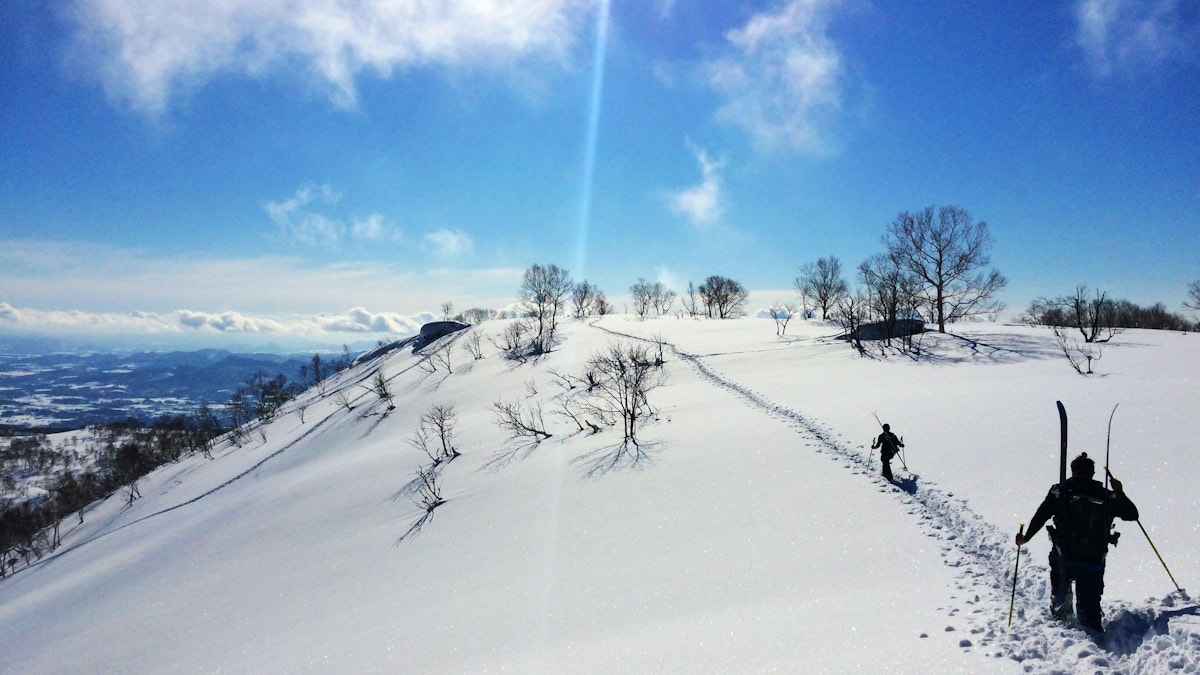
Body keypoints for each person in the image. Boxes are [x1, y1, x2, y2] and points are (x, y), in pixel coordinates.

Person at [1016, 452, 1138, 633]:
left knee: (1060, 585)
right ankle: (1090, 621)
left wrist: (1025, 537)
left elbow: (1041, 516)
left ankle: (1061, 612)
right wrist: (1119, 492)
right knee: (1089, 597)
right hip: (1094, 557)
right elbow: (1132, 515)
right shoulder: (1106, 495)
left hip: (1064, 554)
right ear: (1093, 473)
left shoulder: (1060, 491)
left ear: (1072, 471)